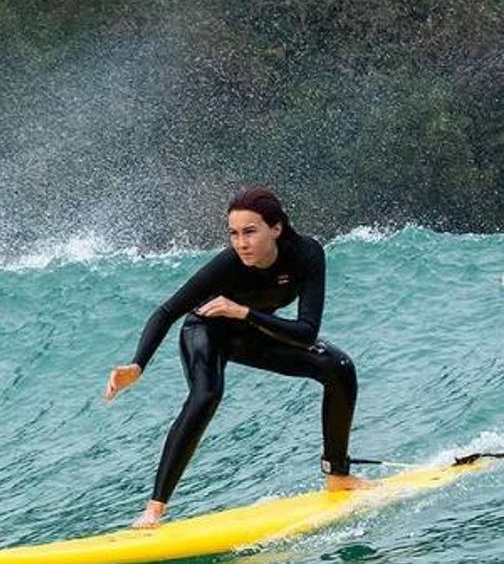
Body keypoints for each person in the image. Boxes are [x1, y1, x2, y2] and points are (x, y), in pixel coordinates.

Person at [105, 187, 372, 528]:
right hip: (206, 333)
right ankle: (154, 510)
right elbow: (167, 311)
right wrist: (138, 365)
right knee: (206, 394)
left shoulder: (306, 255)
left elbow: (305, 331)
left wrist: (244, 312)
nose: (241, 243)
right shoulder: (228, 265)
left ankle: (337, 474)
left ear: (275, 228)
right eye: (234, 234)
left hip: (250, 330)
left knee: (339, 368)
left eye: (250, 232)